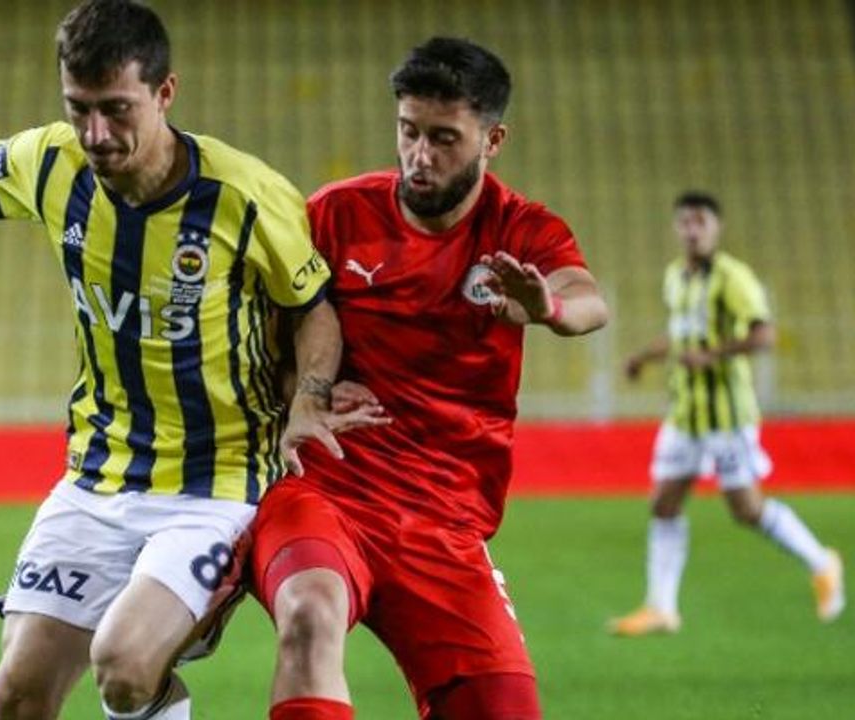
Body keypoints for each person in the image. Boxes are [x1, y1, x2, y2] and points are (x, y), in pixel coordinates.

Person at [0, 2, 386, 718]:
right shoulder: (52, 163)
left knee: (124, 665)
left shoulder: (244, 195)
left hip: (215, 484)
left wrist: (308, 398)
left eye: (116, 109)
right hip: (97, 477)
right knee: (16, 695)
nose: (96, 134)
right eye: (79, 109)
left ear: (164, 93)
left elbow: (312, 305)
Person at [248, 37, 609, 720]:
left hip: (445, 518)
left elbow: (587, 300)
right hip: (327, 489)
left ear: (492, 139)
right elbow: (265, 343)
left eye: (444, 138)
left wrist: (548, 309)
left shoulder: (520, 228)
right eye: (408, 131)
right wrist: (304, 389)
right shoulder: (336, 215)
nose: (419, 154)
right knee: (309, 615)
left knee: (504, 708)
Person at [608, 192, 844, 636]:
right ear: (676, 228)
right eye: (685, 222)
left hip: (728, 416)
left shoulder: (733, 277)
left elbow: (765, 335)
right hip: (685, 412)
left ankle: (822, 562)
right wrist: (642, 357)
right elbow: (679, 334)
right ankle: (661, 607)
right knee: (663, 503)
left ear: (717, 227)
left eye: (701, 221)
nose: (692, 230)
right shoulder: (675, 277)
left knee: (746, 508)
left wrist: (713, 355)